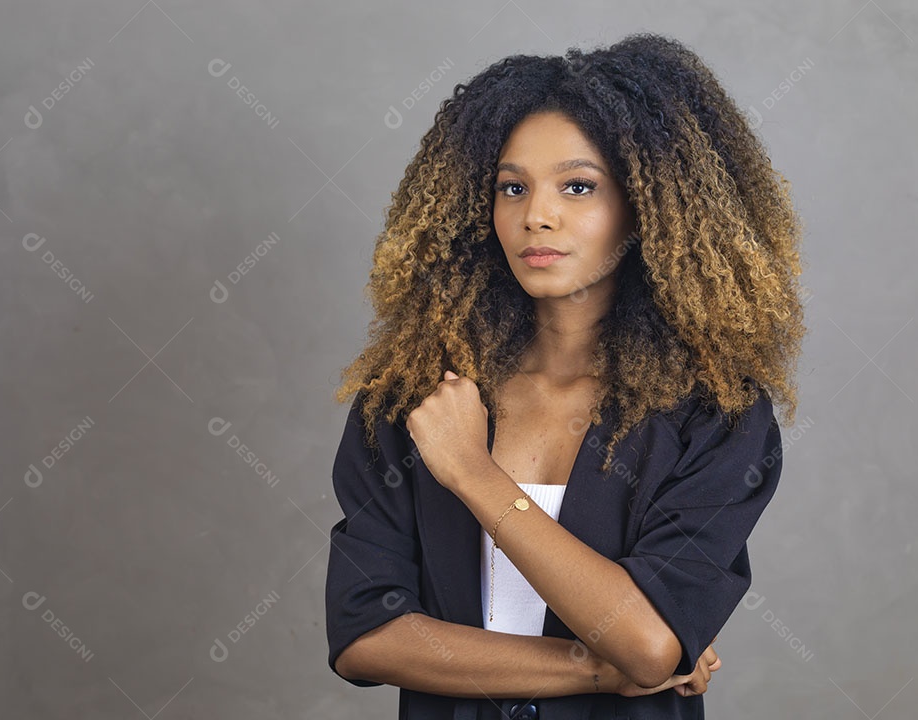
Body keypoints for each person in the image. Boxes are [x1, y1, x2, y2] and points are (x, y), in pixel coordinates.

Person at [324, 30, 806, 720]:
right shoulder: (416, 400)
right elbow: (367, 636)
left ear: (648, 208)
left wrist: (472, 473)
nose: (535, 216)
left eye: (578, 186)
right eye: (510, 187)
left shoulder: (715, 416)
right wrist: (597, 671)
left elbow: (645, 642)